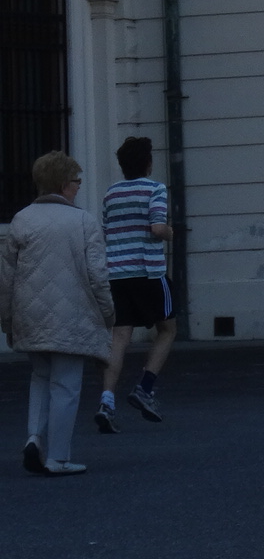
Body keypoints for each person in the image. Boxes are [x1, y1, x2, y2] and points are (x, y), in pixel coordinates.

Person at [2, 151, 112, 476]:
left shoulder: (21, 219)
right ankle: (58, 458)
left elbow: (6, 278)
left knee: (40, 376)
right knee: (66, 385)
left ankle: (34, 438)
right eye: (76, 181)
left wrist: (7, 320)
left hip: (29, 314)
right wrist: (107, 313)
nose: (78, 186)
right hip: (71, 316)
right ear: (64, 185)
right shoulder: (84, 222)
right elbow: (98, 277)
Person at [94, 136, 176, 433]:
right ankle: (145, 387)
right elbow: (157, 228)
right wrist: (170, 232)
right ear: (148, 163)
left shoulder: (111, 194)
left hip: (117, 273)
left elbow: (107, 231)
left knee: (119, 337)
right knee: (167, 329)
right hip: (148, 271)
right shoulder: (156, 189)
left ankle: (106, 402)